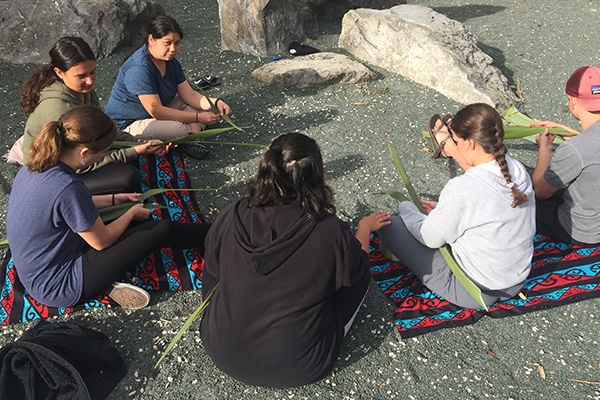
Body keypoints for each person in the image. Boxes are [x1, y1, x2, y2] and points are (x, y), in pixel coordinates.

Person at [200, 133, 371, 388]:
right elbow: (355, 269)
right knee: (361, 272)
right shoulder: (330, 231)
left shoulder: (232, 214)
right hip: (300, 366)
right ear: (316, 176)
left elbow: (212, 271)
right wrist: (364, 229)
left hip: (220, 348)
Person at [6, 105, 211, 310]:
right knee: (161, 229)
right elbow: (101, 241)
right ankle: (219, 231)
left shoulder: (36, 164)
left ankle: (106, 280)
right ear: (85, 152)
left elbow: (69, 207)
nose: (102, 158)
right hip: (60, 284)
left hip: (37, 268)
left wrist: (114, 198)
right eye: (103, 153)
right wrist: (130, 214)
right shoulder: (66, 187)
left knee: (127, 222)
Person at [360, 103, 536, 309]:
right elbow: (486, 208)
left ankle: (396, 250)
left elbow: (429, 237)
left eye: (456, 141)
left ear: (469, 144)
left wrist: (407, 208)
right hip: (516, 281)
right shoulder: (517, 169)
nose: (457, 144)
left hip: (475, 291)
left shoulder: (463, 187)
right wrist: (444, 209)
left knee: (390, 224)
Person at [7, 36, 167, 194]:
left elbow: (101, 131)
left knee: (130, 164)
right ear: (59, 72)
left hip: (77, 154)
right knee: (128, 177)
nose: (90, 81)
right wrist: (134, 151)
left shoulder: (81, 90)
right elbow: (82, 162)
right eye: (81, 76)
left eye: (93, 72)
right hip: (52, 173)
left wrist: (136, 142)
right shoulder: (60, 110)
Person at [106, 15, 232, 143]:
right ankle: (191, 133)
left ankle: (193, 136)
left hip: (159, 109)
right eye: (167, 43)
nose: (173, 49)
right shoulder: (139, 68)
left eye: (177, 43)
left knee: (203, 106)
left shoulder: (170, 62)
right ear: (151, 39)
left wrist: (216, 103)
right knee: (179, 129)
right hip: (128, 124)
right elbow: (157, 111)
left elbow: (190, 96)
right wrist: (198, 118)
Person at [530, 65, 600, 244]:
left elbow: (540, 191)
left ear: (572, 100)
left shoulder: (575, 150)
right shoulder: (582, 146)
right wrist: (563, 131)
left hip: (582, 231)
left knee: (521, 194)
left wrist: (544, 149)